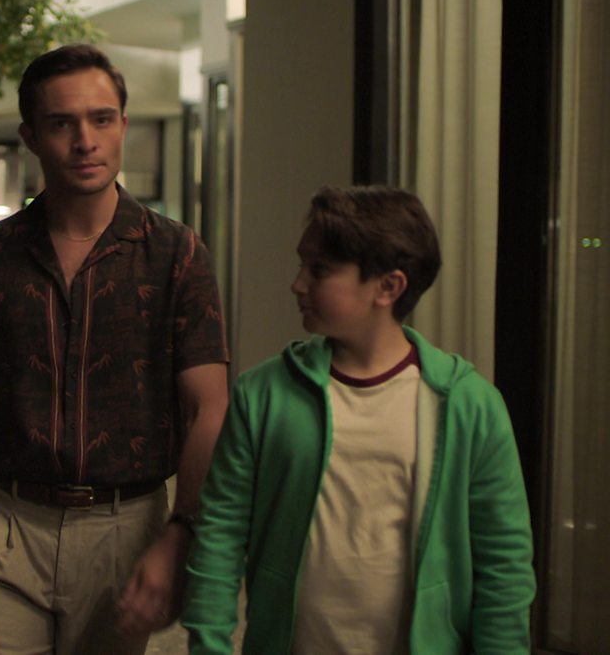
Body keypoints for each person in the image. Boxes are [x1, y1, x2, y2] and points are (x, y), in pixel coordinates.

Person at [0, 43, 230, 655]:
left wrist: (181, 532)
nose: (85, 141)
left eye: (101, 119)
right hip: (3, 525)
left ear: (123, 125)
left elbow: (209, 408)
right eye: (62, 123)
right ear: (31, 137)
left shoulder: (176, 255)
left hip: (127, 528)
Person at [183, 186, 535, 654]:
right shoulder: (263, 395)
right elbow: (220, 536)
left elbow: (504, 563)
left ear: (388, 287)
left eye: (320, 270)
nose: (298, 284)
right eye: (302, 265)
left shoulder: (468, 405)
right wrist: (208, 645)